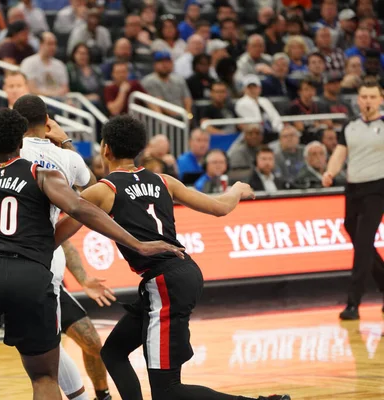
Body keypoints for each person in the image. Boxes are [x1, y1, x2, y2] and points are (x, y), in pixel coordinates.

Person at [0, 108, 181, 400]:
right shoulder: (41, 174)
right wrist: (139, 244)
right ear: (21, 143)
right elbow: (82, 208)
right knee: (43, 376)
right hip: (31, 277)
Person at [56, 114, 290, 400]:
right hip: (182, 272)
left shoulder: (104, 190)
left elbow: (59, 232)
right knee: (113, 351)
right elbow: (220, 208)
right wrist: (237, 189)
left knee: (168, 391)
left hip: (164, 281)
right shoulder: (164, 181)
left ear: (105, 149)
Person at [322, 81, 384, 320]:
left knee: (363, 242)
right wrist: (329, 172)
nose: (367, 101)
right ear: (358, 100)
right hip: (353, 188)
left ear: (380, 99)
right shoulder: (350, 126)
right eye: (364, 97)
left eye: (372, 96)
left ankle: (353, 303)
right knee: (355, 234)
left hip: (378, 187)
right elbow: (340, 152)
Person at [141, 51, 192, 116]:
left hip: (183, 117)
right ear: (154, 65)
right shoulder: (149, 81)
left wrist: (188, 114)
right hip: (165, 119)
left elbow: (187, 98)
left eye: (168, 62)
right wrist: (180, 116)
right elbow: (159, 104)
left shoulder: (179, 79)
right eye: (161, 62)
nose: (165, 65)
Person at [21, 32, 69, 98]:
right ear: (41, 44)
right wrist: (53, 94)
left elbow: (65, 89)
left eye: (55, 44)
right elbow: (31, 89)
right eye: (49, 44)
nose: (53, 47)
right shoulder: (29, 62)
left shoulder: (60, 64)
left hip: (59, 101)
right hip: (38, 101)